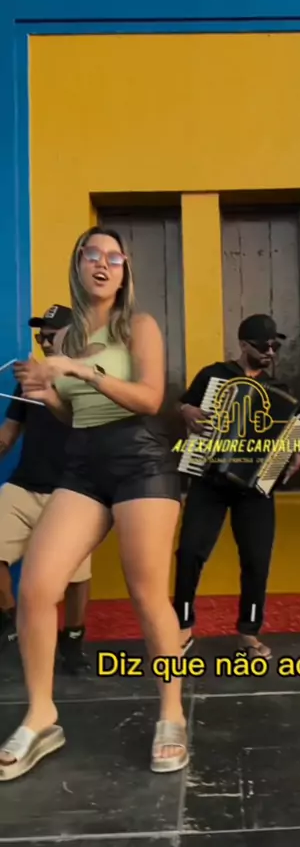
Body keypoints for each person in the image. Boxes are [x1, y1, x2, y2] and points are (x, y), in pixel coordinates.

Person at [0, 226, 188, 781]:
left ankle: (172, 714)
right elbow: (72, 415)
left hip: (141, 460)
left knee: (146, 592)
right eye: (93, 255)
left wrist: (80, 370)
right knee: (36, 587)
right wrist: (46, 393)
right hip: (83, 464)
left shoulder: (139, 326)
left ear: (124, 272)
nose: (104, 264)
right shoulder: (64, 338)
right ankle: (41, 716)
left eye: (115, 257)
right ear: (78, 266)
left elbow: (150, 399)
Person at [173, 314, 300, 659]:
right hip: (209, 479)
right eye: (263, 346)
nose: (270, 352)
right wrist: (186, 410)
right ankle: (182, 625)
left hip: (255, 488)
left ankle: (249, 633)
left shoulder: (280, 390)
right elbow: (182, 404)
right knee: (190, 552)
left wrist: (292, 454)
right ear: (243, 345)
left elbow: (290, 435)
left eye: (275, 346)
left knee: (257, 560)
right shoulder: (214, 376)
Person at [0, 305, 92, 674]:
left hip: (72, 493)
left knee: (77, 575)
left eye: (51, 334)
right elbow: (7, 436)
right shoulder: (26, 383)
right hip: (23, 486)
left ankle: (73, 641)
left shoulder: (91, 379)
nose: (44, 340)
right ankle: (11, 623)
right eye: (41, 335)